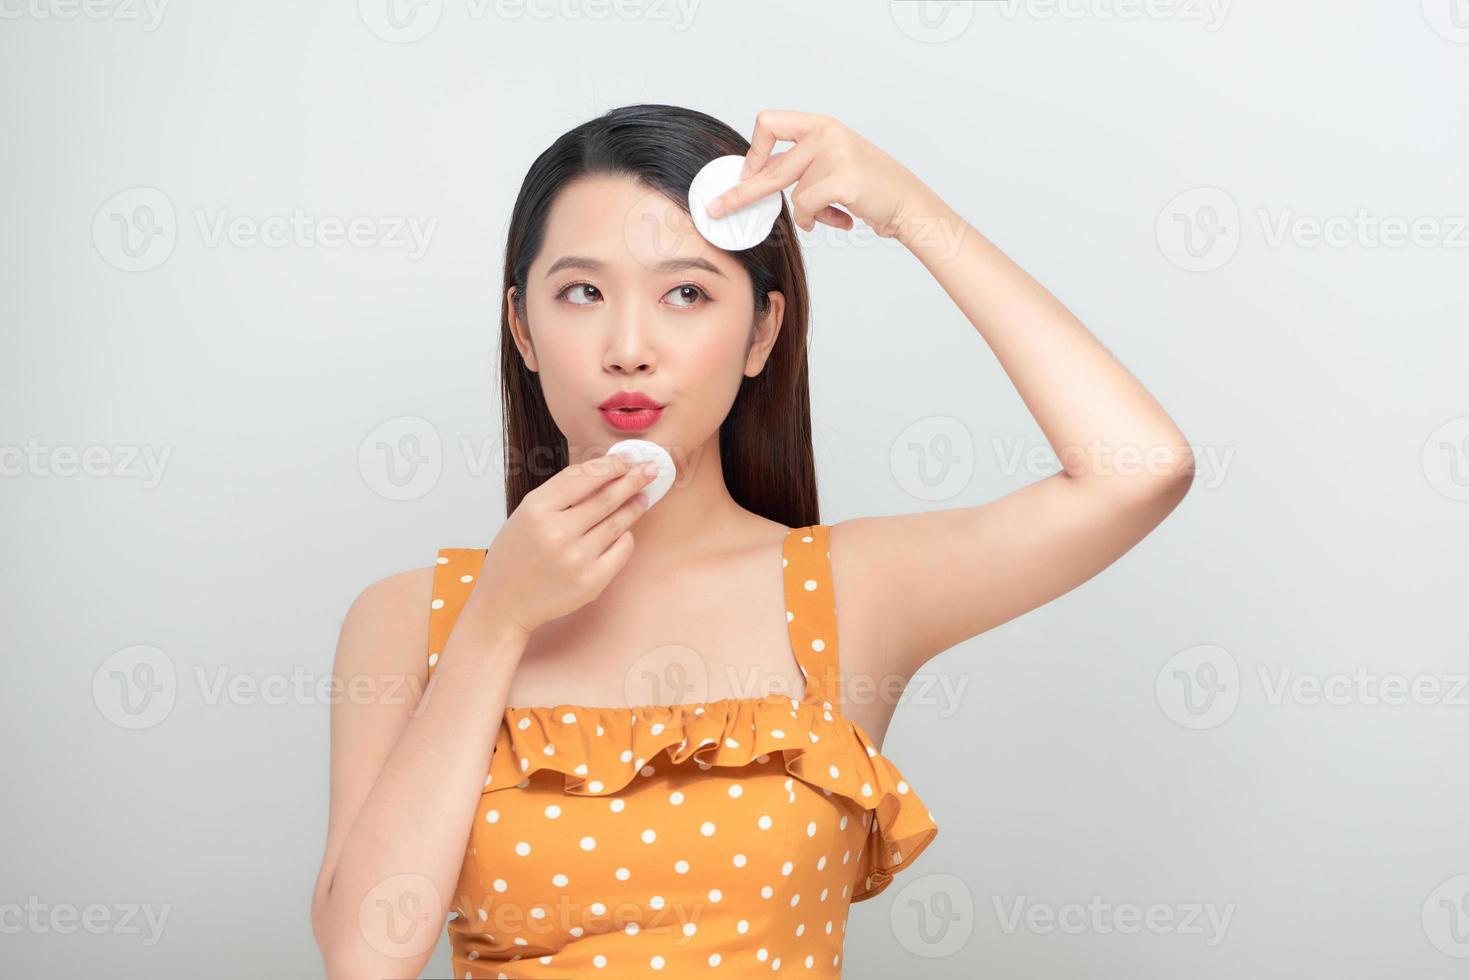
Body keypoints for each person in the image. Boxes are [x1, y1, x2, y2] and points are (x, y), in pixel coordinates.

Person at [310, 104, 1194, 978]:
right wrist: (496, 622)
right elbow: (363, 958)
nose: (628, 348)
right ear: (522, 331)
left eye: (685, 293)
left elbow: (1141, 467)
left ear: (761, 333)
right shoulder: (403, 618)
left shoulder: (848, 594)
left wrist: (909, 212)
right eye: (582, 292)